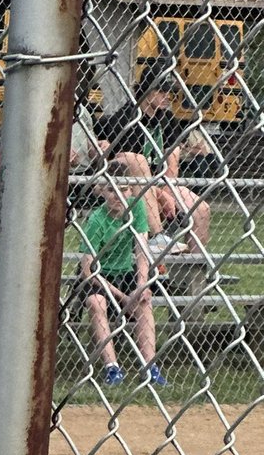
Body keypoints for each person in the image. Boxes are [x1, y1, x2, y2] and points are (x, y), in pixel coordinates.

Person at [101, 69, 211, 257]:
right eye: (161, 91)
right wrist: (160, 195)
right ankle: (157, 236)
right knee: (140, 161)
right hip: (132, 186)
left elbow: (172, 162)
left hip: (161, 183)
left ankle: (193, 277)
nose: (167, 96)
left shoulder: (167, 119)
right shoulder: (126, 118)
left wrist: (169, 190)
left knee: (201, 209)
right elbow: (131, 169)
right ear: (147, 91)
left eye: (169, 92)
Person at [78, 163, 166, 388]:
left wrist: (141, 284)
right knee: (97, 302)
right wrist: (123, 298)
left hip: (125, 273)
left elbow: (141, 249)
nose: (118, 195)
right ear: (102, 192)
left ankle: (150, 368)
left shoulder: (135, 209)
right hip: (101, 276)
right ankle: (112, 368)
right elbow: (88, 270)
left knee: (144, 303)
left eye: (125, 189)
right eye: (111, 189)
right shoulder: (97, 220)